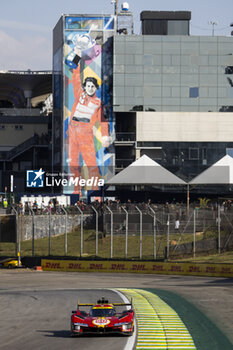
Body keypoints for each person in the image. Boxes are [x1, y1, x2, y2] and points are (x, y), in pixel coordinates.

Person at [67, 40, 110, 194]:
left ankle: (96, 193)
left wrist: (105, 136)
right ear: (85, 87)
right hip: (73, 130)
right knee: (73, 163)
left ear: (95, 88)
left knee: (91, 163)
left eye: (93, 86)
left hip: (85, 133)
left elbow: (103, 121)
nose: (90, 88)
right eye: (88, 86)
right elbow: (76, 76)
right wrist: (77, 57)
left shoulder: (98, 103)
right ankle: (75, 192)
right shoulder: (79, 94)